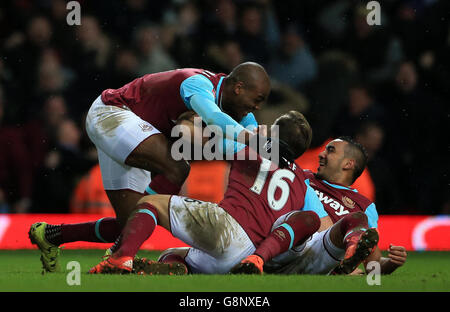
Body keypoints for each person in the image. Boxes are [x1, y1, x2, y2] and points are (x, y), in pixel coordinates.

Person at [28, 62, 270, 273]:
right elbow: (216, 120)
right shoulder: (197, 84)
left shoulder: (241, 114)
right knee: (178, 169)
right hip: (112, 113)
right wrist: (248, 137)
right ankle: (119, 257)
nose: (257, 108)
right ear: (238, 88)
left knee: (131, 225)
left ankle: (51, 235)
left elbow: (237, 148)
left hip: (135, 131)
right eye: (257, 99)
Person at [88, 111, 328, 274]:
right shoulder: (301, 181)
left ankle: (120, 258)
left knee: (150, 203)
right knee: (173, 255)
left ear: (274, 133)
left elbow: (199, 141)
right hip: (249, 254)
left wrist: (192, 122)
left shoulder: (250, 147)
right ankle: (181, 272)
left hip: (228, 226)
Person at [235, 137, 407, 275]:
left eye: (330, 151)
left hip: (317, 259)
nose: (321, 154)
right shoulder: (302, 177)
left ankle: (345, 260)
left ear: (348, 164)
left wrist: (390, 264)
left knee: (357, 219)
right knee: (307, 220)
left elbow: (372, 265)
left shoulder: (365, 206)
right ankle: (257, 259)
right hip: (286, 247)